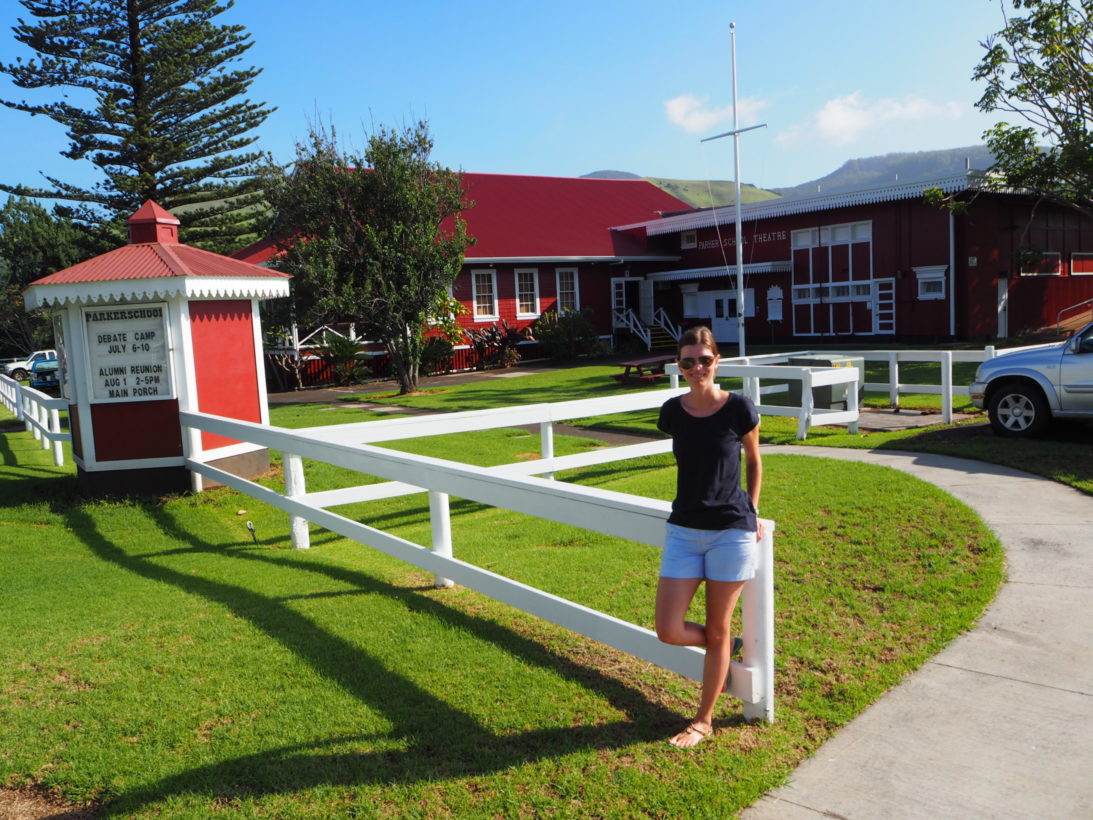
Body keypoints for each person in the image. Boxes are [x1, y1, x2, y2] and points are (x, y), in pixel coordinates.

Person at [655, 325, 763, 748]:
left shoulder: (738, 408)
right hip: (683, 530)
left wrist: (752, 511)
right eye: (688, 361)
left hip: (730, 532)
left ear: (716, 361)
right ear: (679, 367)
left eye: (703, 359)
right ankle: (724, 645)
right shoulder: (672, 411)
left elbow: (754, 461)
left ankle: (703, 720)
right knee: (668, 628)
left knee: (716, 626)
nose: (696, 367)